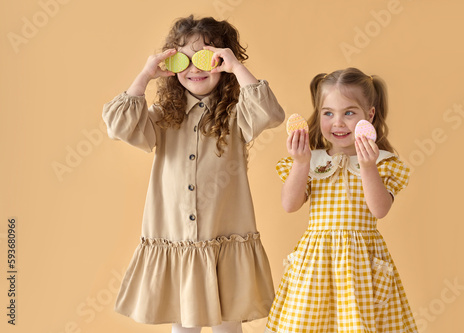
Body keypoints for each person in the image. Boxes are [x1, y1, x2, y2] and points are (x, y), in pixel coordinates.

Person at [102, 15, 285, 333]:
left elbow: (271, 113)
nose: (194, 69)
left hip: (224, 238)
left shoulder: (236, 115)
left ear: (222, 61)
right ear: (171, 65)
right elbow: (117, 125)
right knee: (184, 325)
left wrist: (237, 68)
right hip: (178, 240)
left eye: (205, 58)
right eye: (183, 59)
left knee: (228, 324)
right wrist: (146, 74)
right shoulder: (163, 118)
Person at [265, 68, 418, 332]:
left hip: (361, 265)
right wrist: (301, 163)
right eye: (328, 113)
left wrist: (368, 167)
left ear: (369, 115)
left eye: (349, 112)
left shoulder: (382, 163)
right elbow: (290, 205)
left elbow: (380, 210)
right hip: (317, 261)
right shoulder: (312, 161)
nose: (338, 122)